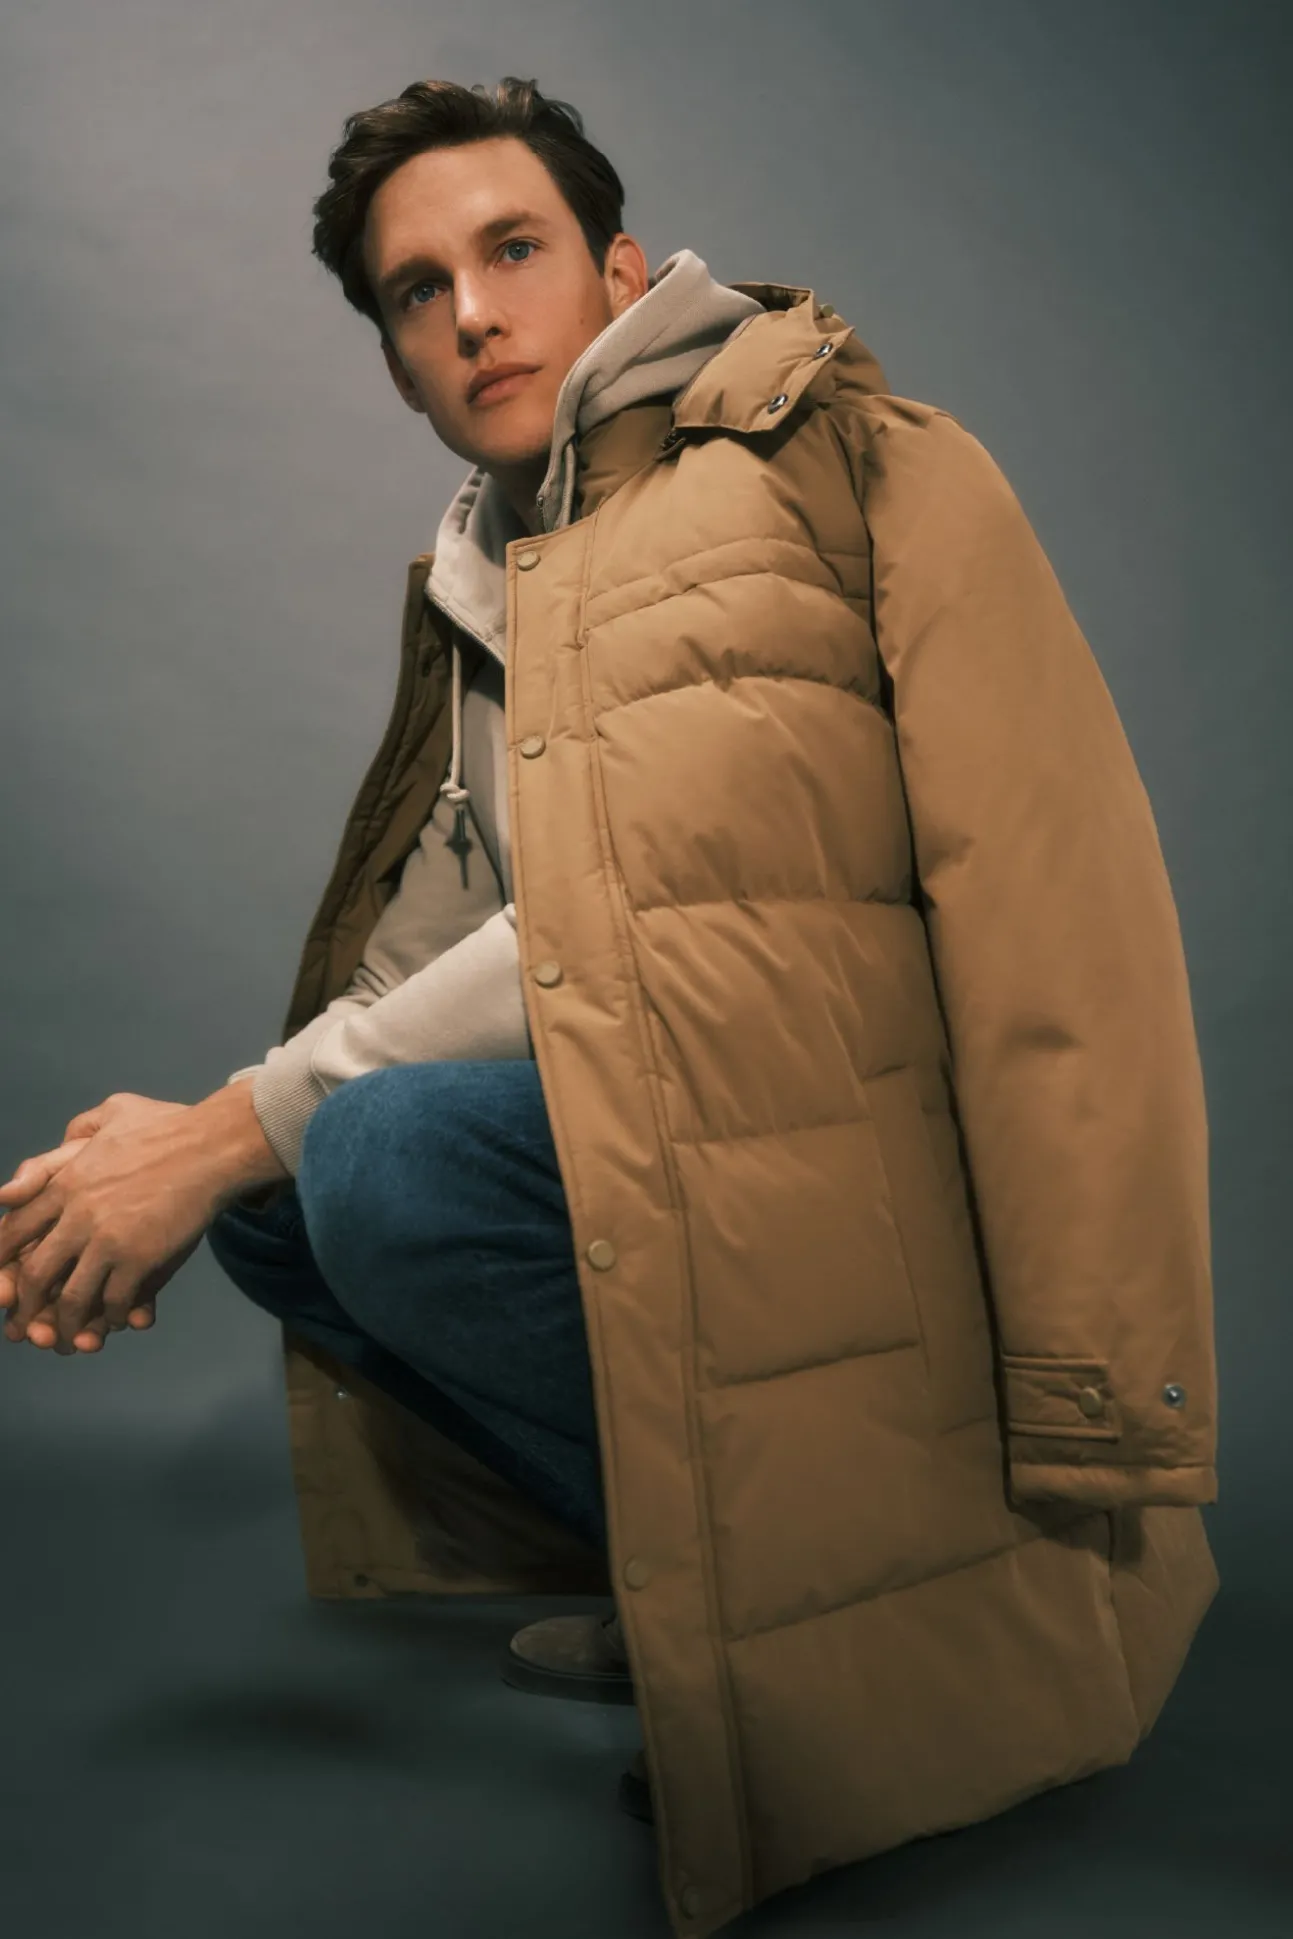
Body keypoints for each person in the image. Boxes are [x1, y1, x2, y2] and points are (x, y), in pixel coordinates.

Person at [0, 74, 1219, 1939]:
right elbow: (446, 965)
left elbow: (1004, 917)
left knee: (361, 1152)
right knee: (282, 1200)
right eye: (417, 291)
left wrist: (1106, 1396)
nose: (472, 312)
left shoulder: (827, 465)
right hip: (695, 1187)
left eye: (514, 250)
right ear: (395, 361)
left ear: (623, 272)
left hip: (873, 1219)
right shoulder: (492, 584)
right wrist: (174, 1151)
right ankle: (713, 1591)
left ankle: (884, 1609)